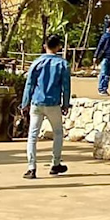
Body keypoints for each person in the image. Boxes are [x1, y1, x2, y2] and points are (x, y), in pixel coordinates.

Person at [22, 33, 72, 180]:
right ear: (58, 47)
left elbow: (29, 84)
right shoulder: (63, 64)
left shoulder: (36, 63)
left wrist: (25, 103)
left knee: (33, 135)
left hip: (37, 102)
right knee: (57, 133)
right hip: (53, 103)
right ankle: (55, 163)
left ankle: (31, 167)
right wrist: (66, 103)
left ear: (45, 46)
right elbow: (66, 87)